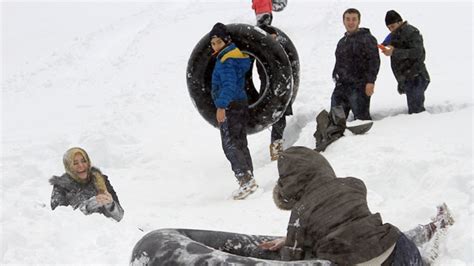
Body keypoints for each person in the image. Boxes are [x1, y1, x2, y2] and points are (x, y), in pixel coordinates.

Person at [258, 146, 454, 264]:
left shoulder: (300, 213)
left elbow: (292, 260)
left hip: (356, 263)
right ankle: (434, 229)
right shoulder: (353, 184)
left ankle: (431, 249)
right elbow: (347, 225)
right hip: (399, 249)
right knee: (390, 245)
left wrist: (292, 239)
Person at [209, 22, 258, 200]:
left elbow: (229, 85)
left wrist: (221, 106)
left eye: (218, 42)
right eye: (213, 43)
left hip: (230, 106)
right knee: (239, 141)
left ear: (226, 41)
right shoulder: (234, 57)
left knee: (230, 144)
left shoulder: (226, 61)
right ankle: (249, 178)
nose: (215, 46)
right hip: (239, 104)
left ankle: (245, 180)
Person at [246, 24, 292, 161]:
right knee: (277, 119)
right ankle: (276, 149)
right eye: (270, 39)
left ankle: (277, 146)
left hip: (282, 90)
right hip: (268, 91)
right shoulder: (262, 53)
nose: (273, 43)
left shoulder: (280, 52)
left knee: (280, 120)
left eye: (274, 39)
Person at [49, 147, 124, 222]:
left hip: (106, 232)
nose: (81, 165)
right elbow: (59, 218)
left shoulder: (100, 180)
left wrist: (110, 205)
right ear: (68, 166)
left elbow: (120, 216)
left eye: (84, 161)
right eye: (75, 163)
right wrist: (88, 206)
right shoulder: (61, 185)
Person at [331, 8, 380, 121]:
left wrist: (370, 81)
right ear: (343, 21)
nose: (351, 22)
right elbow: (338, 62)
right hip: (341, 87)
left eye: (354, 19)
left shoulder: (368, 39)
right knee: (336, 119)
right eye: (348, 19)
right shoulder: (342, 42)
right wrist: (335, 75)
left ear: (359, 21)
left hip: (359, 87)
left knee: (361, 119)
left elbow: (374, 61)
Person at [381, 10, 430, 114]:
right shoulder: (394, 35)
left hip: (417, 77)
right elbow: (386, 43)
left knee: (417, 113)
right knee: (415, 111)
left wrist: (394, 52)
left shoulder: (412, 32)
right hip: (408, 78)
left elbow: (418, 53)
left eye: (392, 26)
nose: (391, 29)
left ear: (400, 22)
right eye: (389, 28)